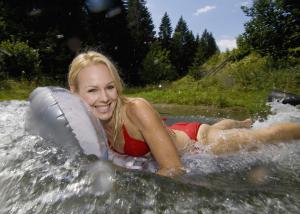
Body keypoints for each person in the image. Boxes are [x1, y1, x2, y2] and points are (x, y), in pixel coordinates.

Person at [68, 51, 300, 177]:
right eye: (92, 90)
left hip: (198, 144)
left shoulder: (136, 109)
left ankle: (253, 125)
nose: (105, 97)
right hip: (171, 134)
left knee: (264, 136)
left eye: (109, 87)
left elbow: (173, 169)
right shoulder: (83, 123)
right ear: (75, 92)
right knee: (221, 126)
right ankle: (242, 122)